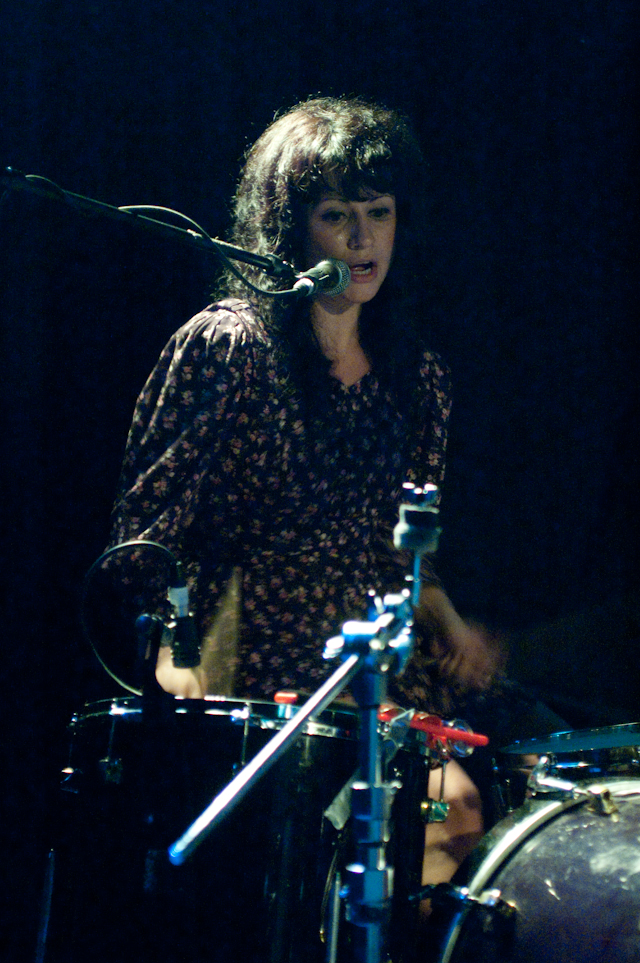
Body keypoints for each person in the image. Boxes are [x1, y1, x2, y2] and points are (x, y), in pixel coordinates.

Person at [107, 97, 523, 901]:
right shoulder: (227, 346)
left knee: (464, 815)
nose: (363, 240)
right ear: (289, 230)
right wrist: (173, 653)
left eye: (379, 213)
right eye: (337, 216)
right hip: (251, 673)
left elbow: (399, 551)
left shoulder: (419, 379)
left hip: (369, 675)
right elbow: (145, 535)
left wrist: (448, 622)